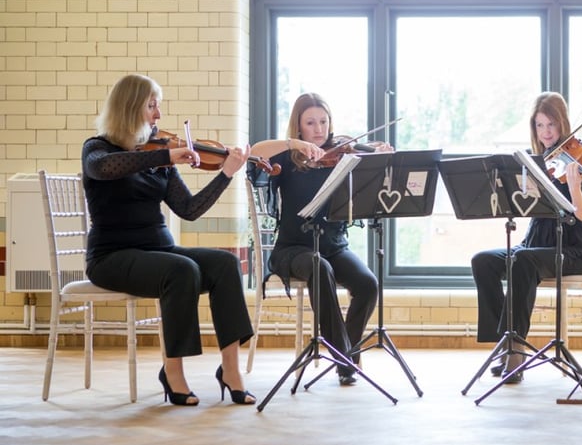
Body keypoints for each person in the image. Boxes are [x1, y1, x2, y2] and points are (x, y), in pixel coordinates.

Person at [82, 74, 256, 406]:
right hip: (111, 257)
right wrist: (165, 157)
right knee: (181, 270)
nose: (158, 116)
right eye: (151, 106)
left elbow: (190, 209)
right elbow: (104, 169)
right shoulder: (98, 148)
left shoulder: (160, 156)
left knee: (225, 263)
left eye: (157, 107)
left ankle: (231, 371)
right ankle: (172, 372)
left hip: (157, 251)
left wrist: (226, 174)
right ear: (130, 108)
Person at [251, 92, 392, 386]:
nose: (319, 129)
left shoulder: (343, 156)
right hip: (293, 249)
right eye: (311, 123)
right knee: (319, 268)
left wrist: (376, 157)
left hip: (334, 246)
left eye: (323, 122)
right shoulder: (287, 158)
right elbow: (255, 151)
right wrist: (293, 144)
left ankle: (344, 352)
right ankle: (344, 357)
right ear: (299, 127)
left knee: (367, 284)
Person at [471, 91, 582, 384]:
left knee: (523, 260)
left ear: (563, 124)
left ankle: (516, 349)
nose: (546, 133)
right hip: (536, 243)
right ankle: (502, 343)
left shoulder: (578, 160)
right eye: (540, 126)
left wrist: (576, 186)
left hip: (572, 250)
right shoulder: (534, 161)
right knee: (483, 261)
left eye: (551, 125)